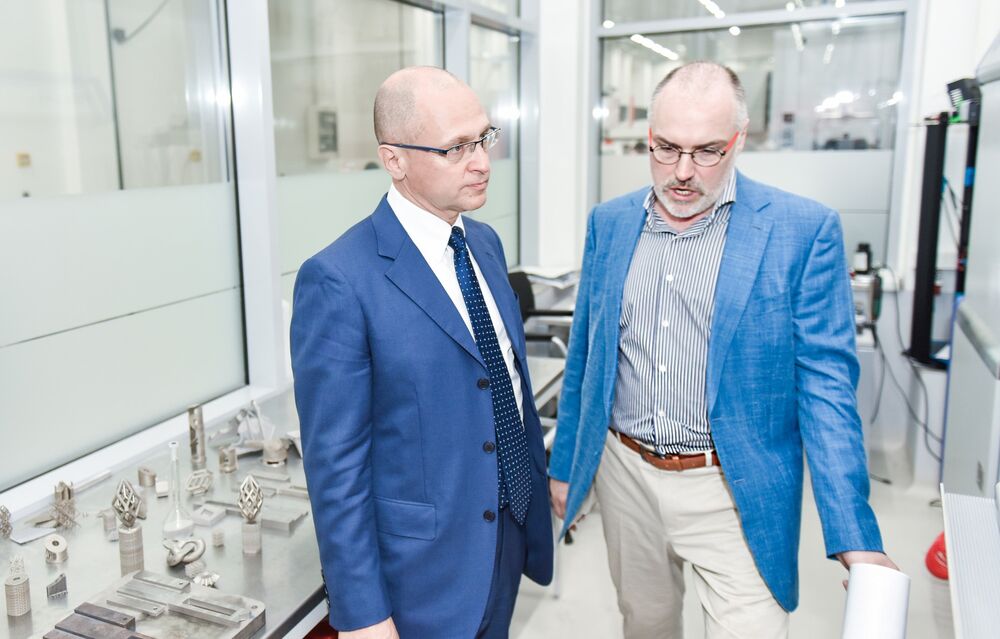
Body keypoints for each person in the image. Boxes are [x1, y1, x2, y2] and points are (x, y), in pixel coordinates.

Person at [548, 61, 896, 639]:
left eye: (708, 151)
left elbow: (826, 390)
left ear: (739, 139)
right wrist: (564, 467)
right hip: (624, 475)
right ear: (648, 137)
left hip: (733, 488)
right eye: (666, 148)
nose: (683, 172)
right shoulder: (609, 223)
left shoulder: (802, 231)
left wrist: (855, 535)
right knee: (646, 623)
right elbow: (587, 355)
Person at [291, 67, 553, 639]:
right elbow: (335, 467)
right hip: (421, 580)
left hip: (505, 535)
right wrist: (363, 613)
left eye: (484, 138)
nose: (482, 162)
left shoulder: (483, 242)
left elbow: (502, 383)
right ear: (395, 159)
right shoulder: (339, 280)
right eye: (456, 148)